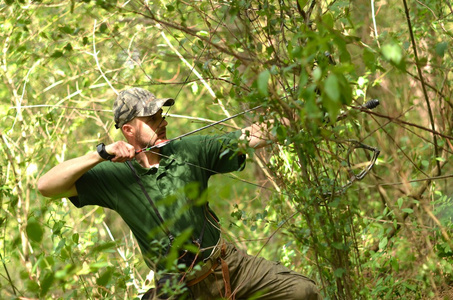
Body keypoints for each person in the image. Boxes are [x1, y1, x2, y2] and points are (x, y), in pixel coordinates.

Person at [38, 87, 321, 299]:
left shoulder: (190, 150)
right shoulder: (113, 176)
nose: (162, 122)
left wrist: (304, 111)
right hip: (176, 288)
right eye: (152, 119)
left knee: (302, 291)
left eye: (161, 115)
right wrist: (100, 154)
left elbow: (250, 136)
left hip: (227, 266)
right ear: (128, 130)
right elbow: (46, 186)